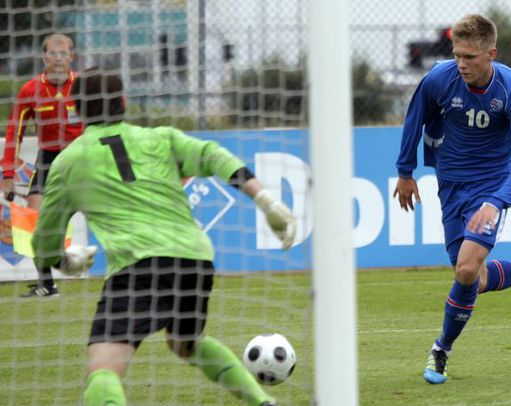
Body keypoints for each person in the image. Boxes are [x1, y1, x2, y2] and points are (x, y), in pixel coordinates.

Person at [31, 69, 297, 406]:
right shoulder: (160, 137)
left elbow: (43, 243)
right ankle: (263, 403)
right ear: (124, 102)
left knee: (104, 370)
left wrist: (65, 261)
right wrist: (265, 200)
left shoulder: (68, 162)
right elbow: (215, 155)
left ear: (76, 109)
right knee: (186, 342)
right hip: (194, 260)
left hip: (137, 266)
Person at [393, 14, 511, 385]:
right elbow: (415, 118)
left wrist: (497, 201)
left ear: (491, 54)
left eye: (470, 57)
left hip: (492, 186)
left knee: (467, 270)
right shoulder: (440, 78)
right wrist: (406, 172)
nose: (462, 63)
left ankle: (441, 351)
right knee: (473, 277)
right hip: (450, 184)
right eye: (457, 54)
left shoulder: (510, 90)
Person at [2, 33, 83, 297]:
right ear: (44, 57)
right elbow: (15, 132)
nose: (58, 58)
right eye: (52, 53)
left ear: (71, 56)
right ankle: (47, 284)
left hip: (82, 158)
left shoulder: (84, 86)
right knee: (33, 217)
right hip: (48, 159)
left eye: (63, 53)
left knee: (107, 214)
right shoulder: (30, 90)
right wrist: (8, 174)